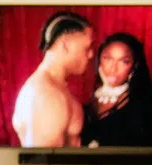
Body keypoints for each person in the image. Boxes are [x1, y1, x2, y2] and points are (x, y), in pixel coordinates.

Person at [11, 11, 94, 148]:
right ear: (65, 44)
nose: (91, 55)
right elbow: (42, 164)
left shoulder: (54, 88)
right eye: (87, 47)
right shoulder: (46, 95)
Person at [82, 32, 152, 148]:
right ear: (99, 60)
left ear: (134, 66)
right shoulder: (86, 101)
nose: (113, 68)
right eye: (108, 58)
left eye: (124, 61)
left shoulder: (142, 107)